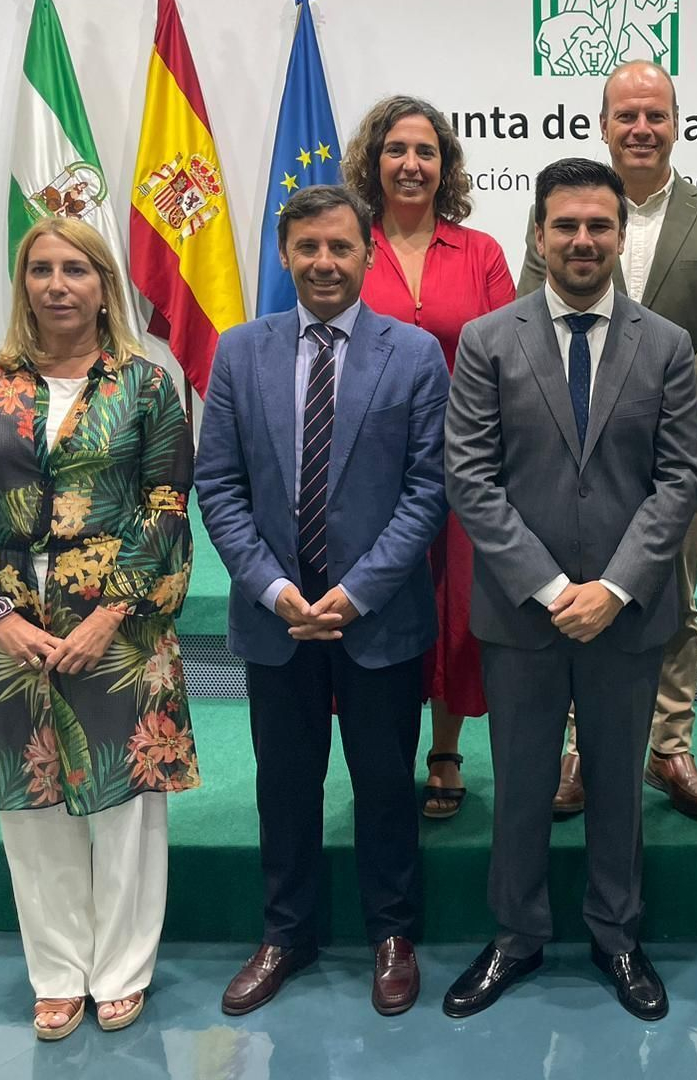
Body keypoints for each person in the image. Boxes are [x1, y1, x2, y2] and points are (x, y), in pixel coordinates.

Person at [443, 158, 697, 1021]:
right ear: (539, 234)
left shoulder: (665, 344)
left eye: (599, 225)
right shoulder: (488, 340)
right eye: (567, 225)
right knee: (521, 786)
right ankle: (515, 936)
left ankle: (617, 934)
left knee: (619, 788)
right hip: (524, 614)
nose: (583, 240)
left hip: (626, 618)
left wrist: (616, 588)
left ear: (622, 236)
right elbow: (470, 478)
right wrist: (554, 587)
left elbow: (679, 479)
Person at [0, 217, 197, 1040]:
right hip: (4, 627)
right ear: (23, 285)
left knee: (125, 805)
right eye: (40, 270)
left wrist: (111, 612)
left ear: (104, 285)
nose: (56, 285)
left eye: (75, 269)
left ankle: (121, 969)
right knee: (28, 800)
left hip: (119, 623)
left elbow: (165, 506)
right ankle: (57, 973)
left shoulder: (145, 386)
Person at [196, 185, 449, 1018]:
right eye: (308, 247)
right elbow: (218, 486)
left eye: (341, 246)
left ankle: (392, 933)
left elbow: (428, 489)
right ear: (284, 254)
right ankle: (286, 933)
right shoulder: (240, 352)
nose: (325, 262)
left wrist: (358, 590)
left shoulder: (414, 355)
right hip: (276, 621)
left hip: (378, 617)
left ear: (368, 252)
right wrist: (273, 590)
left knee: (385, 783)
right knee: (285, 785)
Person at [519, 60, 697, 820]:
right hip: (569, 454)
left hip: (676, 455)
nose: (641, 128)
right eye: (626, 115)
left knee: (670, 598)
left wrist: (651, 391)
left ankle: (668, 745)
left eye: (655, 114)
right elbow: (531, 314)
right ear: (603, 124)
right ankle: (578, 749)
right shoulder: (564, 211)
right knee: (575, 595)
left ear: (677, 123)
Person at [342, 95, 516, 820]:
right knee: (382, 600)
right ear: (373, 161)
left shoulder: (481, 253)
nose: (411, 164)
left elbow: (509, 356)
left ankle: (445, 751)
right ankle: (385, 750)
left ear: (445, 166)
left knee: (455, 607)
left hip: (466, 463)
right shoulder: (347, 244)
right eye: (397, 149)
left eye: (426, 151)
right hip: (367, 466)